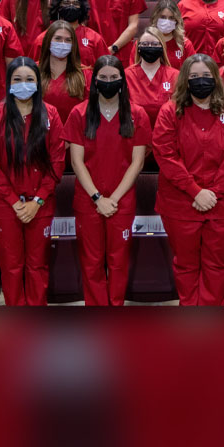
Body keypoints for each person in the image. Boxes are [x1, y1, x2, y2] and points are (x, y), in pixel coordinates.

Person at [152, 54, 224, 305]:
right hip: (180, 204)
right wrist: (196, 191)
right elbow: (165, 154)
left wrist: (213, 191)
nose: (200, 81)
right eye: (194, 77)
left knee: (217, 264)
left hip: (223, 203)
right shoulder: (169, 111)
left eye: (206, 76)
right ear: (185, 80)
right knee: (185, 265)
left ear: (216, 79)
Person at [64, 56, 151, 306]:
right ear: (94, 81)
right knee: (91, 262)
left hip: (120, 202)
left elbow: (138, 162)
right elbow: (76, 161)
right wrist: (97, 198)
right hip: (88, 201)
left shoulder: (138, 114)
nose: (109, 82)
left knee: (118, 260)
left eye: (114, 78)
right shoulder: (79, 113)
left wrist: (113, 199)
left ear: (122, 81)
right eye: (103, 78)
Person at [0, 57, 66, 305]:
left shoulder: (52, 115)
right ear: (8, 83)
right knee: (12, 268)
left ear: (38, 83)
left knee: (37, 267)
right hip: (5, 206)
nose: (24, 84)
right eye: (17, 79)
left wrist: (37, 201)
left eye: (29, 79)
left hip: (41, 205)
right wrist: (15, 203)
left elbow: (57, 162)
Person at [28, 0, 107, 68]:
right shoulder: (43, 39)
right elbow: (33, 69)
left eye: (76, 3)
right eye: (66, 3)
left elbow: (105, 68)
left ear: (82, 8)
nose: (71, 6)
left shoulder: (95, 39)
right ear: (58, 7)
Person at [125, 26, 179, 128]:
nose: (150, 47)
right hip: (135, 135)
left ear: (162, 47)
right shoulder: (126, 75)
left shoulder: (175, 76)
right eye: (145, 44)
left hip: (166, 134)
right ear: (138, 48)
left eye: (154, 44)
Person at [36, 20, 88, 124]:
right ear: (48, 41)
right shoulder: (33, 71)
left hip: (73, 137)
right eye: (58, 38)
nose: (62, 43)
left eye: (68, 40)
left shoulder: (85, 75)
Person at [140, 0, 196, 71]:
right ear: (155, 18)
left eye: (171, 18)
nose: (167, 21)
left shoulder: (185, 44)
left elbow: (192, 70)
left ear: (176, 20)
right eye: (162, 17)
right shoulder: (144, 43)